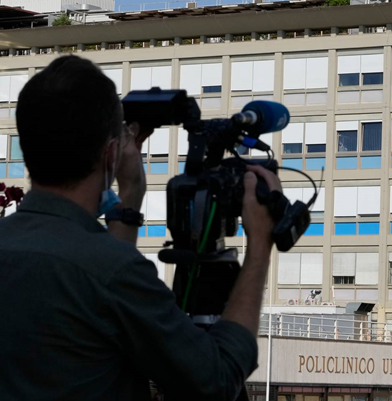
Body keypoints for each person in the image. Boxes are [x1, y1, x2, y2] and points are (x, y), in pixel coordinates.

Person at [0, 55, 281, 400]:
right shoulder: (111, 270)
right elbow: (216, 379)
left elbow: (100, 296)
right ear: (111, 154)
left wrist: (131, 192)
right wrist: (260, 246)